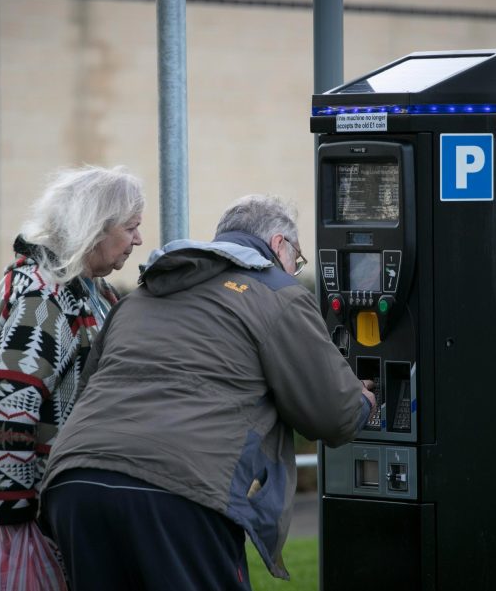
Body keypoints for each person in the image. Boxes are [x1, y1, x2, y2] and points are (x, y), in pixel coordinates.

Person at [41, 194, 376, 590]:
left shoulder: (140, 298)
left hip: (75, 484)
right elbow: (331, 414)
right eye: (296, 259)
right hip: (179, 490)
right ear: (279, 246)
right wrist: (363, 401)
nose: (292, 270)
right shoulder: (277, 294)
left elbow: (89, 392)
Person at [0, 164, 146, 590]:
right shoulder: (42, 296)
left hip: (55, 509)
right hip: (30, 519)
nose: (138, 240)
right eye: (130, 228)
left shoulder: (90, 288)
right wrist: (16, 523)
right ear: (95, 227)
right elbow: (4, 412)